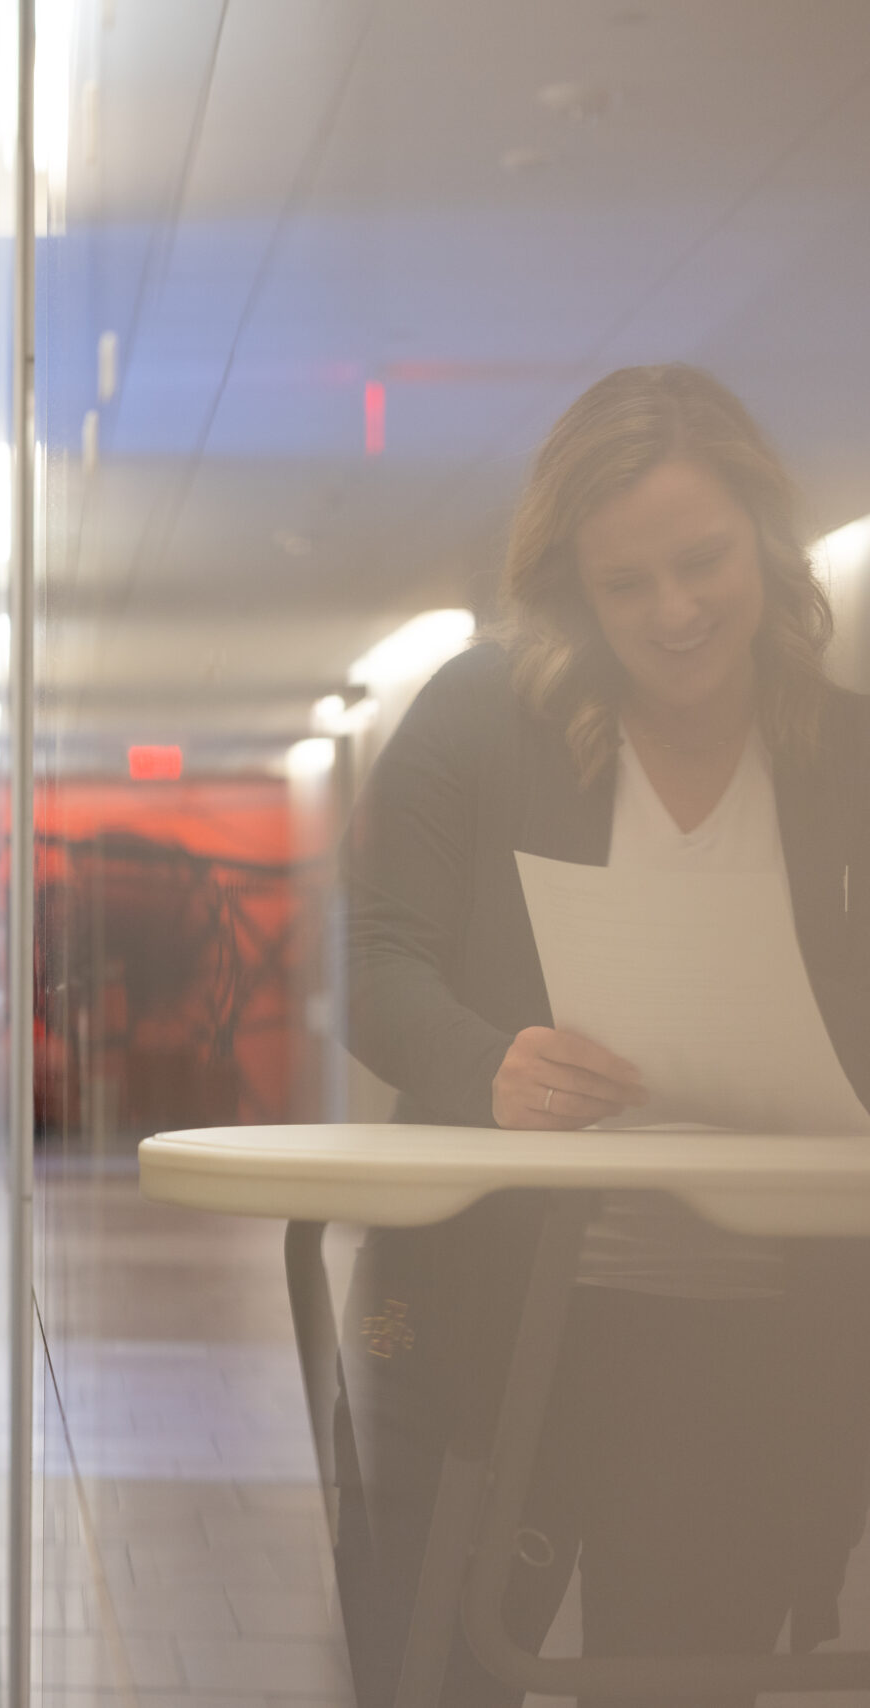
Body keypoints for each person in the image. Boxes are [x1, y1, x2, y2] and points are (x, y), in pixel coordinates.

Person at [344, 363, 870, 1707]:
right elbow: (379, 969)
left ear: (764, 531)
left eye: (702, 563)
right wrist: (486, 1065)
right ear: (574, 584)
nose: (677, 612)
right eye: (627, 586)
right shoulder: (480, 713)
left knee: (689, 1673)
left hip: (743, 1334)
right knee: (435, 1667)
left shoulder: (843, 757)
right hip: (492, 1303)